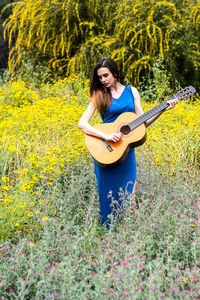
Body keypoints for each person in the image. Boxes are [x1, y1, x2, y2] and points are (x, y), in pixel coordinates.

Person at [78, 57, 178, 229]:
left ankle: (127, 238)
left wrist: (163, 109)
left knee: (128, 198)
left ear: (115, 73)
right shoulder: (99, 95)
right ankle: (108, 237)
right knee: (107, 198)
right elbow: (82, 124)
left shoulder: (132, 92)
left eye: (106, 75)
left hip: (126, 152)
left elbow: (143, 122)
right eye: (100, 77)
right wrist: (106, 136)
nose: (103, 80)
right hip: (106, 151)